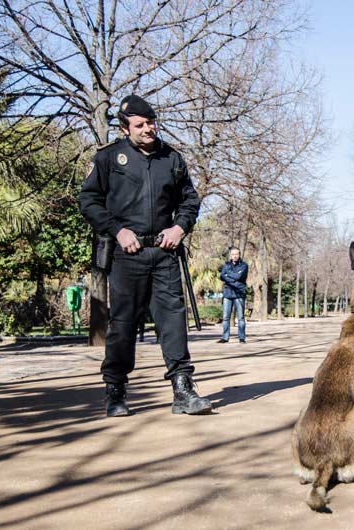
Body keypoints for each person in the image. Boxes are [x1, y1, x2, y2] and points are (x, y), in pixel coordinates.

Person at [79, 94, 212, 417]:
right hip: (128, 255)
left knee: (173, 322)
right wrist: (117, 231)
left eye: (151, 122)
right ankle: (115, 391)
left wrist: (180, 228)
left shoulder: (171, 158)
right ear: (125, 128)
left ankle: (183, 389)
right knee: (122, 325)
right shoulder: (109, 159)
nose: (148, 129)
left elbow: (189, 202)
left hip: (164, 252)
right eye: (140, 125)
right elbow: (89, 201)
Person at [218, 247, 248, 343]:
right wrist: (233, 278)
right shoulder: (226, 265)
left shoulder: (244, 265)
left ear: (239, 255)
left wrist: (228, 275)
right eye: (233, 254)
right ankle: (225, 337)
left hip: (239, 293)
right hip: (228, 294)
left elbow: (238, 276)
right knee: (226, 317)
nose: (235, 256)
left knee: (241, 317)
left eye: (237, 254)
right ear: (231, 255)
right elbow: (222, 276)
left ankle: (242, 338)